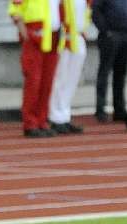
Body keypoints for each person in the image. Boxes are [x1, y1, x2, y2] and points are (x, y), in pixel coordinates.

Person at [9, 0, 62, 137]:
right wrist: (24, 33)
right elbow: (15, 9)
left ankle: (42, 121)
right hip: (35, 34)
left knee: (47, 82)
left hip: (52, 36)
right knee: (34, 81)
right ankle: (30, 123)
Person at [49, 0, 91, 134]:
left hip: (78, 37)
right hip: (64, 39)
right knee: (60, 79)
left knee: (72, 81)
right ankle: (55, 117)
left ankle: (64, 115)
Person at [92, 0, 127, 122]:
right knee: (104, 73)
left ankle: (119, 109)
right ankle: (100, 109)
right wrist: (105, 30)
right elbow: (95, 12)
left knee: (120, 74)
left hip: (126, 34)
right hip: (110, 35)